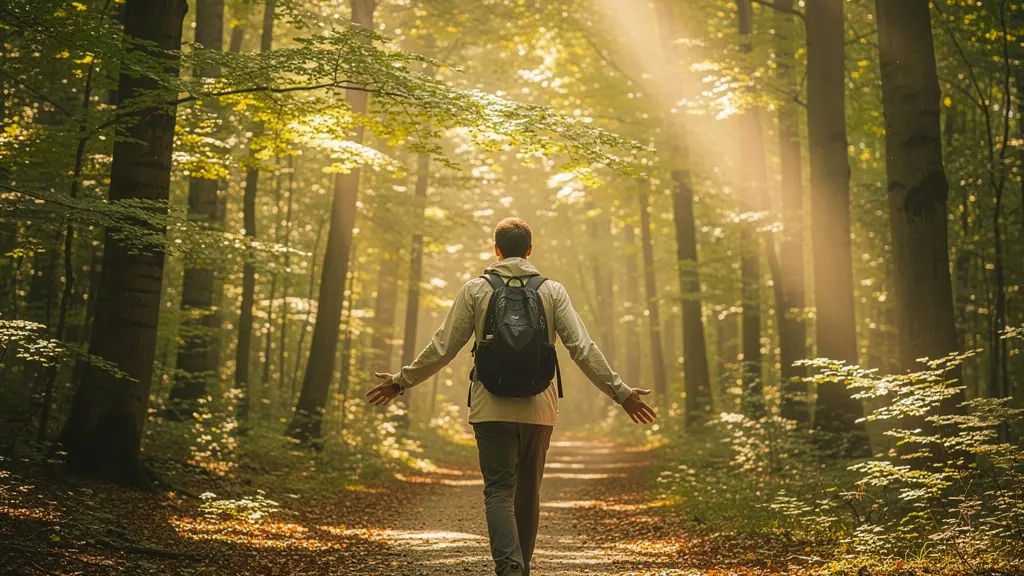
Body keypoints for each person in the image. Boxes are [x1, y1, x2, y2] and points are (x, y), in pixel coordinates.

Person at [367, 216, 656, 576]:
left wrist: (400, 382)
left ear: (496, 250)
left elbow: (443, 346)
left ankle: (509, 568)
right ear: (530, 251)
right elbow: (582, 348)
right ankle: (524, 569)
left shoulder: (476, 289)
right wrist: (621, 393)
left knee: (499, 492)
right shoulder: (552, 291)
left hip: (490, 407)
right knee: (528, 494)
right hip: (539, 409)